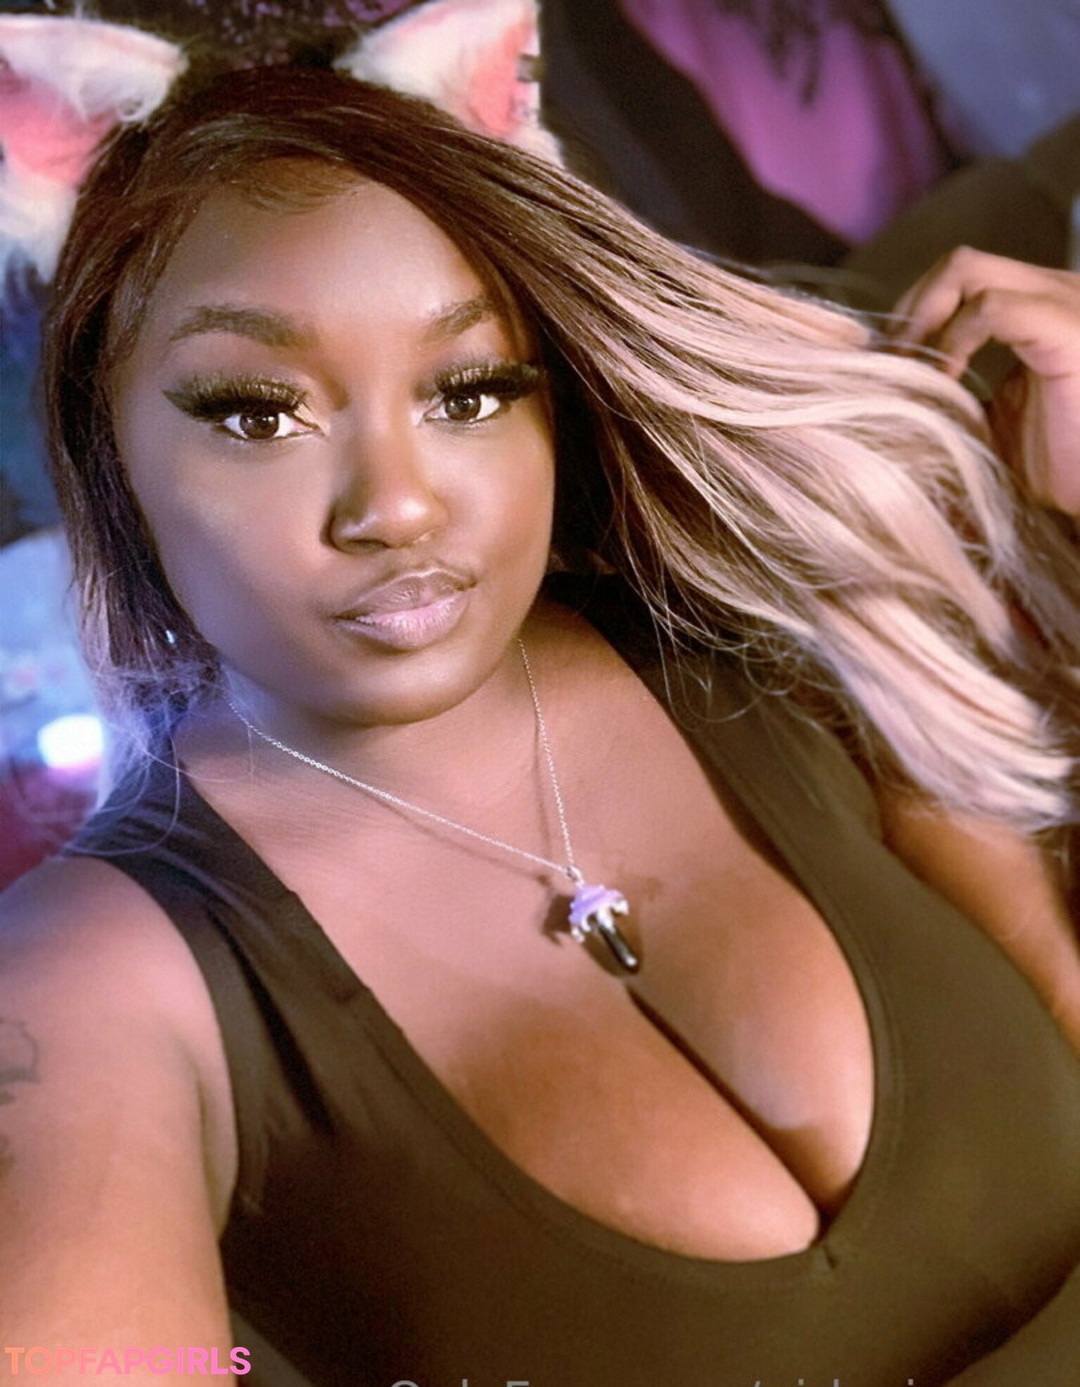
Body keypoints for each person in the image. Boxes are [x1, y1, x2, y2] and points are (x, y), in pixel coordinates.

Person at [1, 62, 1078, 1386]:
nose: (397, 506)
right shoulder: (94, 981)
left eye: (466, 391)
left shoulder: (784, 629)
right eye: (258, 413)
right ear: (108, 458)